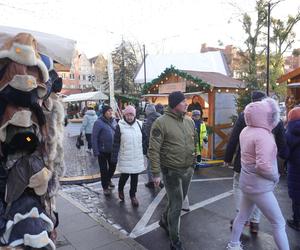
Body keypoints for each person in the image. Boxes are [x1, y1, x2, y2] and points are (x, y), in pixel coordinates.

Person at [227, 98, 289, 250]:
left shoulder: (245, 131)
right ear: (266, 116)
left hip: (247, 183)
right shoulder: (264, 136)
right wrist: (275, 177)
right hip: (260, 187)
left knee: (241, 217)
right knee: (279, 222)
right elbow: (264, 166)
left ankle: (234, 244)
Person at [148, 91, 197, 250]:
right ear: (175, 104)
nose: (186, 104)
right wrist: (156, 173)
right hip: (171, 172)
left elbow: (193, 141)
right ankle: (175, 241)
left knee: (177, 201)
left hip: (187, 169)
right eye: (184, 101)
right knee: (177, 205)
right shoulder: (160, 123)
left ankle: (163, 219)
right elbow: (153, 150)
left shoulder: (189, 121)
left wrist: (194, 160)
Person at [111, 105, 145, 207]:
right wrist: (114, 157)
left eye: (131, 114)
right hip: (125, 156)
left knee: (135, 178)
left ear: (134, 115)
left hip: (137, 157)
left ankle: (133, 196)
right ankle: (120, 190)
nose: (129, 117)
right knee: (124, 176)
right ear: (124, 115)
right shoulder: (120, 126)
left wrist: (147, 150)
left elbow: (145, 139)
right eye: (127, 115)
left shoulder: (140, 124)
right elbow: (116, 143)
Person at [92, 105, 117, 196]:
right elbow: (94, 137)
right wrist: (96, 151)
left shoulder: (114, 121)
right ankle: (105, 187)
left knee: (113, 167)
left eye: (111, 110)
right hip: (102, 151)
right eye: (108, 111)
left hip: (112, 150)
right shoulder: (98, 122)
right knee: (103, 170)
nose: (110, 112)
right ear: (104, 112)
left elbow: (117, 133)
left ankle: (108, 179)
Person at [283, 107, 300, 231]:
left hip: (295, 167)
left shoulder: (289, 131)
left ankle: (297, 221)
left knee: (296, 196)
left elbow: (285, 153)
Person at [142, 104, 162, 189]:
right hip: (162, 145)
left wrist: (146, 149)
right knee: (161, 164)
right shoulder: (161, 117)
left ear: (147, 112)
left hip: (152, 146)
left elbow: (147, 136)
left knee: (150, 165)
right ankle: (160, 181)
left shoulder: (148, 121)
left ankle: (151, 182)